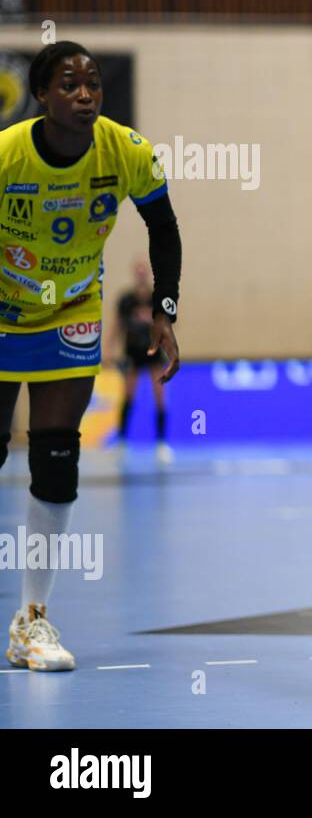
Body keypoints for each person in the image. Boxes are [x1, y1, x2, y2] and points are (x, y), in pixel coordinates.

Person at [1, 42, 182, 671]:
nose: (85, 95)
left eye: (94, 85)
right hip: (1, 306)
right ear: (43, 96)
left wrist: (165, 310)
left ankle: (32, 622)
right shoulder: (6, 155)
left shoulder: (124, 150)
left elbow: (164, 227)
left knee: (56, 458)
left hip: (69, 312)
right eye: (70, 85)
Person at [108, 258, 172, 462]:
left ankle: (162, 444)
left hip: (154, 352)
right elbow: (117, 326)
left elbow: (169, 325)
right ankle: (121, 441)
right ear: (135, 274)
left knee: (160, 396)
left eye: (145, 271)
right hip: (133, 352)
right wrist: (109, 348)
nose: (142, 275)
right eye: (139, 272)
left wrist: (151, 319)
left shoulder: (157, 299)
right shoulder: (126, 300)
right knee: (128, 395)